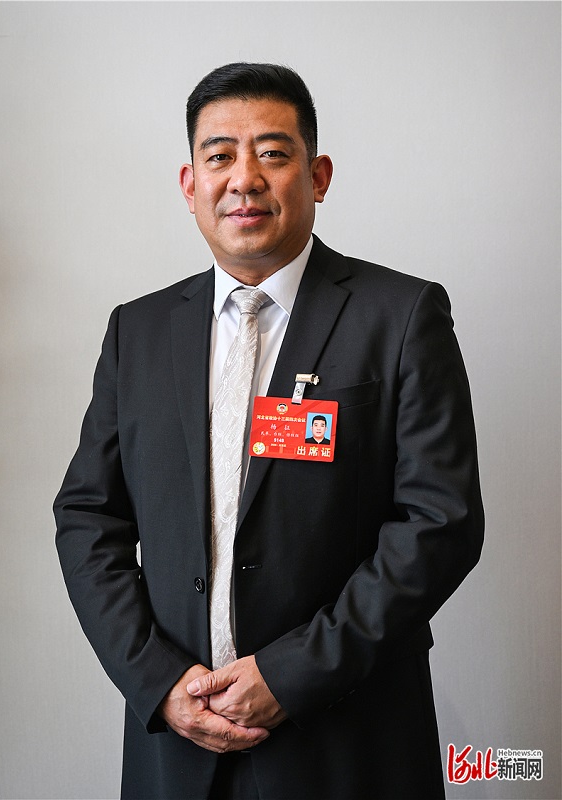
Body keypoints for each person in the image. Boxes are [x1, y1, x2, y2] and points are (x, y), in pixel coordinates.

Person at [54, 62, 484, 800]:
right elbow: (88, 516)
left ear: (317, 175)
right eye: (219, 156)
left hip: (345, 743)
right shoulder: (138, 331)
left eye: (273, 154)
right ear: (190, 184)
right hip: (176, 750)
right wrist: (159, 681)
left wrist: (290, 675)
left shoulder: (401, 316)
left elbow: (439, 524)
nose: (244, 179)